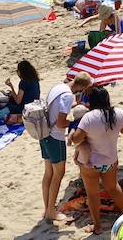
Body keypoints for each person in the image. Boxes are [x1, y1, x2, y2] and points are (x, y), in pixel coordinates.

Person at [71, 86, 123, 235]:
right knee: (112, 187)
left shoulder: (89, 117)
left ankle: (97, 226)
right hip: (110, 160)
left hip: (91, 163)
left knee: (93, 194)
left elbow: (76, 140)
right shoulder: (117, 113)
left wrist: (73, 132)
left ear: (91, 101)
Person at [37, 76, 76, 222]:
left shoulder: (58, 87)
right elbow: (61, 123)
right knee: (58, 174)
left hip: (44, 134)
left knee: (48, 173)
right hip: (55, 137)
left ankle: (47, 209)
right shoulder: (68, 96)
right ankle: (51, 212)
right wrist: (72, 122)